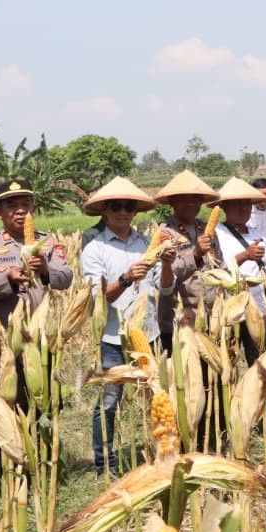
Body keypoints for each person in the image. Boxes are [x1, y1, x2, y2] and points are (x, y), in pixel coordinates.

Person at [79, 177, 174, 475]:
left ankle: (160, 455)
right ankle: (104, 465)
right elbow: (95, 299)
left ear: (135, 211)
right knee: (108, 402)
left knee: (157, 398)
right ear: (105, 211)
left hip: (149, 335)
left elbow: (166, 289)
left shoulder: (147, 244)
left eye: (128, 206)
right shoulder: (94, 249)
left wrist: (168, 263)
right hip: (111, 339)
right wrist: (125, 278)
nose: (123, 211)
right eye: (116, 206)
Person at [0, 180, 73, 409]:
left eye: (26, 204)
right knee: (5, 416)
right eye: (12, 205)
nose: (21, 210)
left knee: (43, 412)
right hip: (1, 346)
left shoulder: (49, 243)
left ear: (34, 208)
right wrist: (7, 281)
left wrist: (45, 269)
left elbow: (66, 279)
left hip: (39, 343)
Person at [214, 178, 266, 363]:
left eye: (246, 204)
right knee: (227, 365)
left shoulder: (259, 234)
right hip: (228, 311)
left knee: (260, 362)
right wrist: (245, 255)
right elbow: (216, 270)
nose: (243, 208)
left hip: (258, 308)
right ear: (224, 206)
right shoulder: (217, 233)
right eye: (236, 204)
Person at [153, 170, 221, 356]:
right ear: (173, 202)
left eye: (195, 198)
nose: (191, 203)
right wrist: (196, 254)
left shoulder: (207, 229)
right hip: (180, 321)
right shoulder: (165, 233)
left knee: (209, 380)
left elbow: (219, 267)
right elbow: (167, 276)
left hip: (210, 319)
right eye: (184, 198)